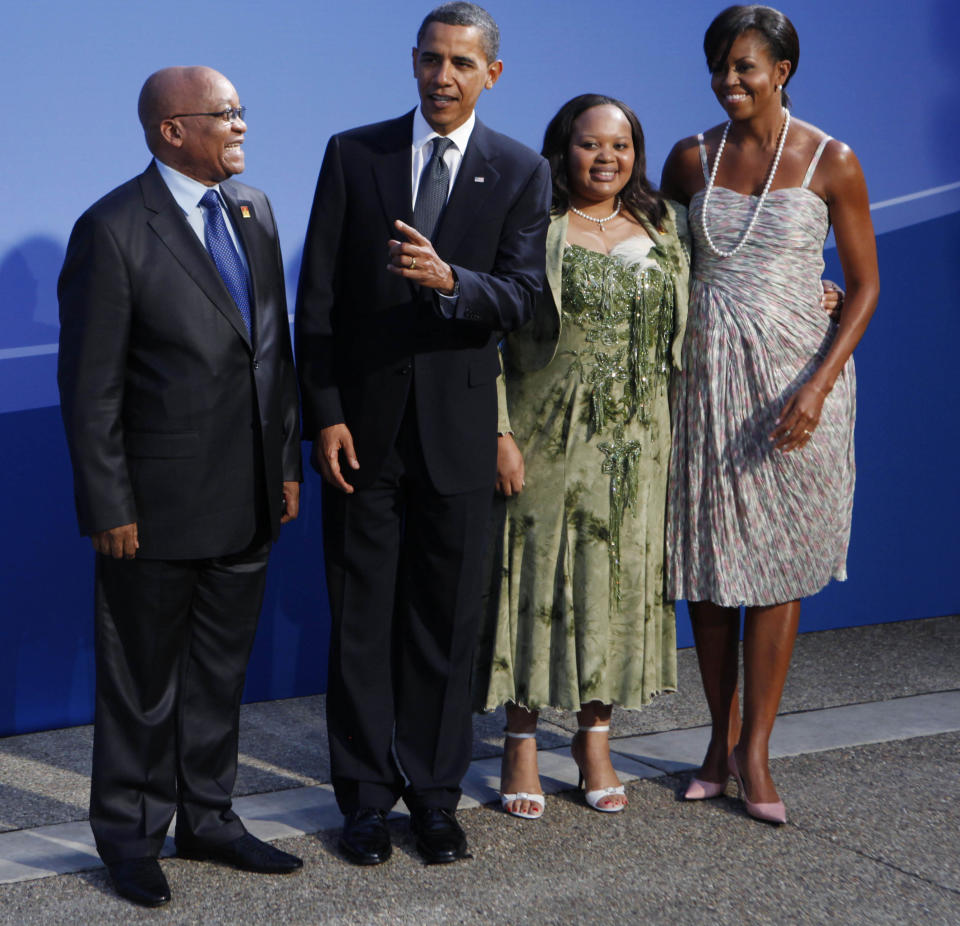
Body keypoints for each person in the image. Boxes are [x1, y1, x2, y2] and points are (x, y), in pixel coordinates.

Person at [295, 2, 551, 865]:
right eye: (431, 59)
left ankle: (435, 798)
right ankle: (364, 801)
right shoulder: (353, 153)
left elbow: (523, 300)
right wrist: (323, 411)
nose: (444, 76)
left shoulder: (519, 170)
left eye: (461, 63)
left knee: (446, 622)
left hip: (459, 432)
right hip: (360, 434)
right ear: (413, 62)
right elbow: (317, 301)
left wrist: (454, 282)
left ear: (492, 75)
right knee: (361, 619)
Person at [57, 66, 303, 906]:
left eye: (241, 111)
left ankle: (210, 817)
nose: (241, 126)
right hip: (152, 512)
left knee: (218, 674)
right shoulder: (114, 229)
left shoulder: (253, 210)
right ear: (172, 130)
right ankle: (129, 838)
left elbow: (274, 349)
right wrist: (108, 504)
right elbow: (90, 389)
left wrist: (286, 463)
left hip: (249, 500)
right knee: (140, 683)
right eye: (225, 115)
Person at [662, 4, 879, 824]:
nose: (729, 81)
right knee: (714, 572)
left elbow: (862, 286)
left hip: (797, 387)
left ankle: (756, 751)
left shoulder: (834, 160)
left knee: (780, 569)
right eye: (719, 66)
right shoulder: (692, 159)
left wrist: (818, 385)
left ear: (782, 71)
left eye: (745, 67)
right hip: (708, 383)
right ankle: (716, 742)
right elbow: (659, 259)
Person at [473, 95, 690, 818]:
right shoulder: (535, 226)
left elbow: (717, 298)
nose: (606, 159)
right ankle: (521, 742)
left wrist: (818, 291)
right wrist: (499, 431)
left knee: (615, 587)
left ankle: (596, 740)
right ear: (563, 150)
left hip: (638, 443)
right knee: (538, 586)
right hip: (543, 436)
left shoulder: (667, 226)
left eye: (621, 145)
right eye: (590, 145)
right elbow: (488, 335)